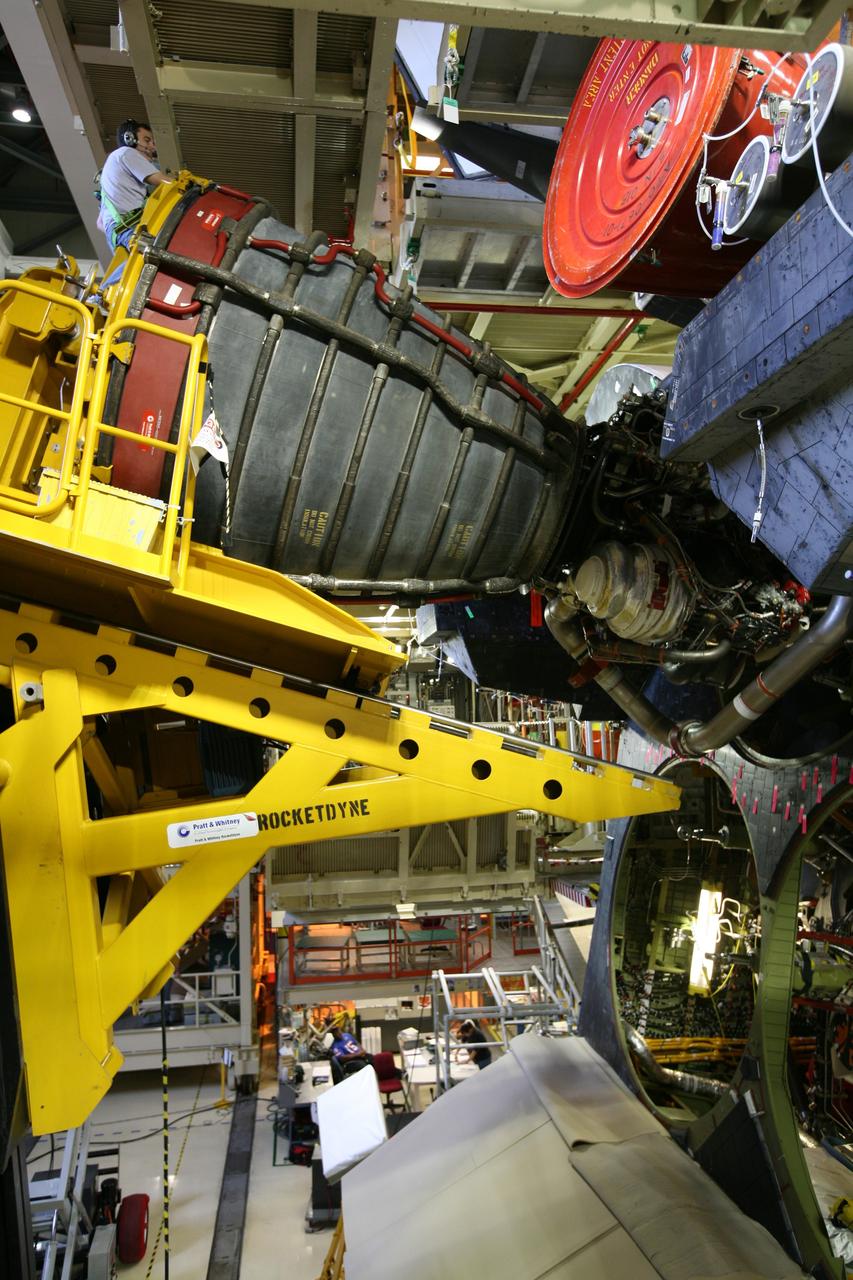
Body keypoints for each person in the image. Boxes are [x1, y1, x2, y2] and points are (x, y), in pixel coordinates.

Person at [97, 119, 170, 252]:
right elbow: (164, 182)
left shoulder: (108, 178)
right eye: (147, 140)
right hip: (129, 230)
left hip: (118, 236)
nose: (152, 147)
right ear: (129, 139)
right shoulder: (126, 152)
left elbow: (100, 224)